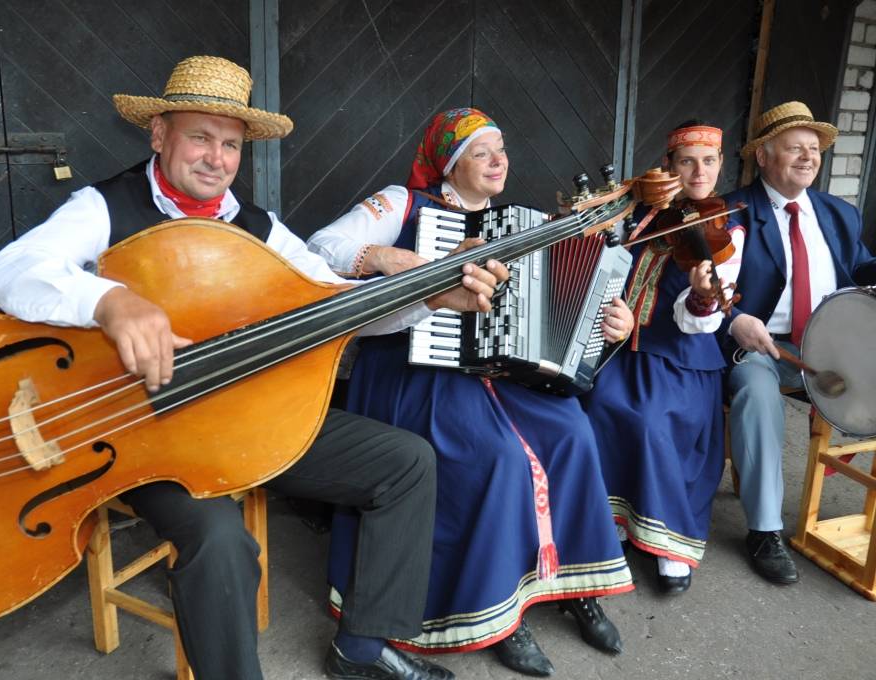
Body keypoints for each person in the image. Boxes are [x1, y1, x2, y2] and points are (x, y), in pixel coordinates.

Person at [0, 56, 509, 680]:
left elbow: (336, 305)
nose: (216, 158)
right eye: (200, 137)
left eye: (230, 144)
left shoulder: (260, 230)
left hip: (249, 416)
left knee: (406, 462)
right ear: (159, 134)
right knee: (223, 543)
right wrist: (109, 300)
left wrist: (428, 294)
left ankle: (362, 650)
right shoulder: (103, 207)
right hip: (144, 428)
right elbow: (3, 272)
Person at [307, 108, 635, 678]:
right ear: (451, 163)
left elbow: (556, 310)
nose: (499, 160)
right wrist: (390, 259)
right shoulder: (405, 204)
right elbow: (320, 248)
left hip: (495, 374)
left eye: (501, 148)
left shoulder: (524, 223)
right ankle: (504, 612)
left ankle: (572, 585)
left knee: (574, 431)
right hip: (414, 369)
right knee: (499, 457)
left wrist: (610, 326)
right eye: (482, 152)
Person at [579, 121, 745, 594]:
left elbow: (700, 319)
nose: (699, 171)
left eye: (709, 161)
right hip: (624, 349)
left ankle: (667, 542)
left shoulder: (724, 229)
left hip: (680, 360)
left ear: (720, 165)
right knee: (594, 406)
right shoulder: (647, 214)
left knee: (652, 421)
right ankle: (612, 521)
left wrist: (701, 297)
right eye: (686, 160)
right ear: (668, 166)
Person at [721, 101, 876, 585]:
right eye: (795, 148)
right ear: (764, 156)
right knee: (755, 387)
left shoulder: (838, 213)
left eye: (814, 149)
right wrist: (734, 318)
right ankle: (765, 530)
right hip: (767, 347)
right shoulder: (732, 211)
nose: (808, 157)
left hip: (830, 346)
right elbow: (707, 289)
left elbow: (862, 268)